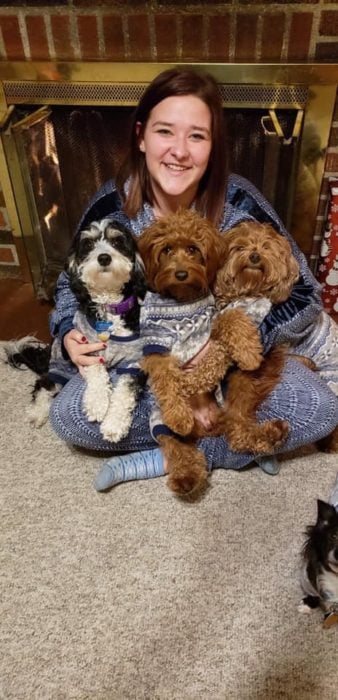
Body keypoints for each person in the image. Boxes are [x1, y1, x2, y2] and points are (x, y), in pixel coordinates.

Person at [49, 67, 338, 490]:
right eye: (166, 132)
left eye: (197, 136)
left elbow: (304, 294)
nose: (179, 151)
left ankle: (166, 453)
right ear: (141, 136)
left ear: (212, 146)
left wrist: (226, 343)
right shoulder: (111, 205)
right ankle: (231, 450)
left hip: (227, 369)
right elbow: (68, 281)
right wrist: (66, 334)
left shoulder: (239, 199)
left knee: (320, 407)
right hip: (148, 364)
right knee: (70, 417)